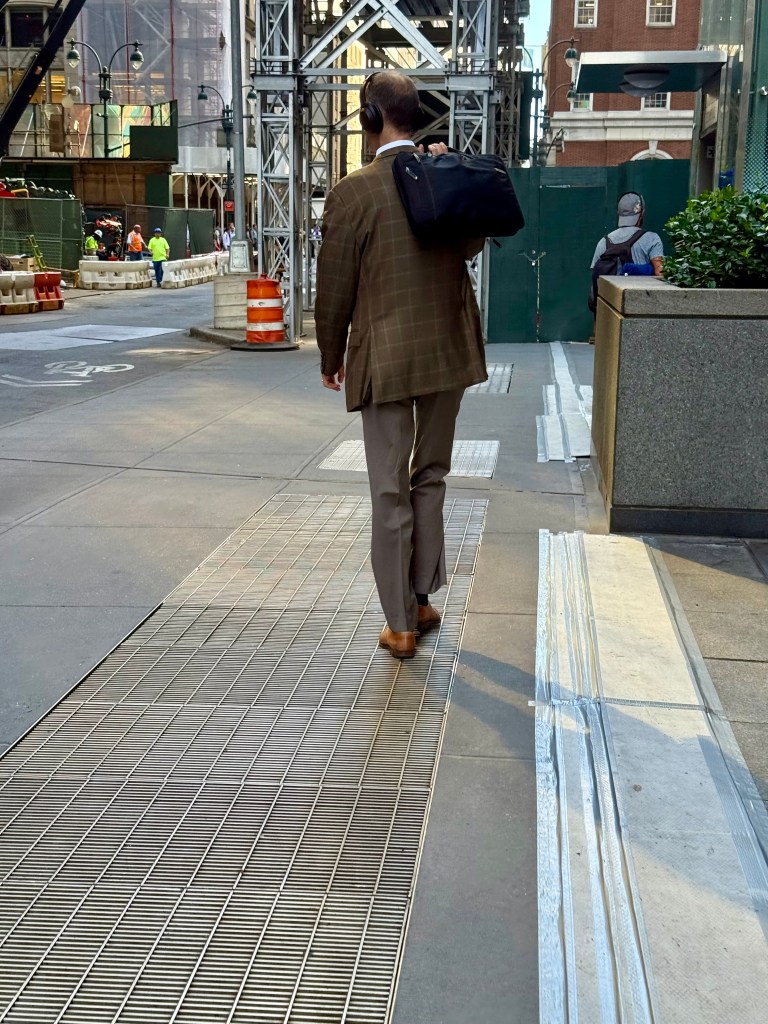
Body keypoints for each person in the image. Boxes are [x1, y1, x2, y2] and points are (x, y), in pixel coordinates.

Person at [315, 70, 487, 660]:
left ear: (369, 118)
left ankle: (400, 625)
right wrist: (452, 174)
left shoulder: (353, 192)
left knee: (389, 490)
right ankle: (420, 599)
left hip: (385, 358)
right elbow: (471, 245)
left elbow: (334, 288)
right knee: (430, 477)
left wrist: (330, 354)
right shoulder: (441, 176)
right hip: (447, 353)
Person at [589, 192, 664, 312]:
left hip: (607, 309)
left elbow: (595, 280)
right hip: (639, 308)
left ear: (619, 214)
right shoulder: (651, 239)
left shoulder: (603, 242)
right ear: (642, 213)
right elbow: (661, 272)